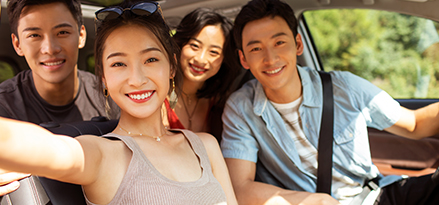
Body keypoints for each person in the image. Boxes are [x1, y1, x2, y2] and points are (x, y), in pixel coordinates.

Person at [0, 1, 238, 204]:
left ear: (172, 67)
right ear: (103, 77)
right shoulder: (102, 154)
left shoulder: (206, 146)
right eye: (118, 64)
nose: (137, 79)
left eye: (151, 59)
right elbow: (34, 146)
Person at [220, 0, 439, 204]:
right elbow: (240, 188)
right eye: (256, 48)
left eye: (279, 42)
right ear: (243, 59)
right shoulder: (240, 109)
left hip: (373, 196)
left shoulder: (345, 87)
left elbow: (415, 124)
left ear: (297, 44)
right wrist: (313, 202)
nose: (270, 58)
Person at [0, 0, 120, 197]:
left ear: (81, 35)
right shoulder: (4, 107)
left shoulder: (113, 96)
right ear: (17, 44)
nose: (50, 48)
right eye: (34, 35)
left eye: (62, 32)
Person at [163, 8, 239, 140]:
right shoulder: (156, 95)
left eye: (214, 52)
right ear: (180, 44)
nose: (201, 59)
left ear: (224, 59)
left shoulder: (223, 102)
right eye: (195, 46)